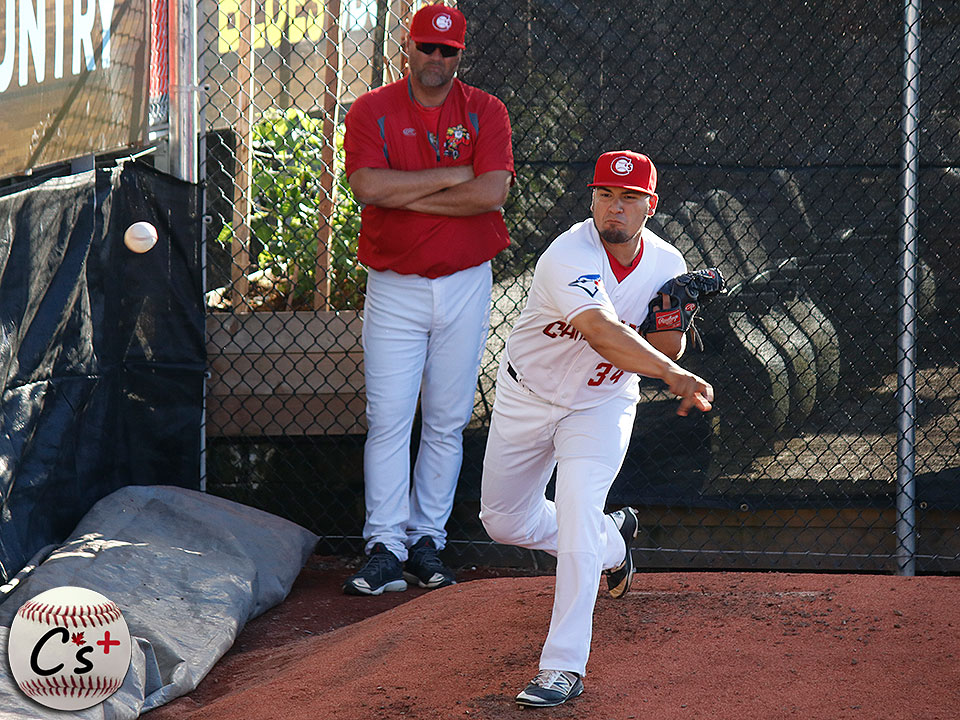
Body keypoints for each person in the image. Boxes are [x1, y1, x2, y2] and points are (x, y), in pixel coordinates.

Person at [479, 151, 714, 707]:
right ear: (591, 199)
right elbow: (604, 333)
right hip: (527, 397)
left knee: (578, 514)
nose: (615, 207)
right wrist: (675, 372)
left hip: (600, 406)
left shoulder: (666, 262)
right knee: (503, 521)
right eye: (606, 194)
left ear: (649, 207)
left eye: (630, 198)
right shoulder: (568, 253)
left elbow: (661, 349)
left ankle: (562, 666)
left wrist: (673, 323)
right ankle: (613, 542)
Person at [341, 3, 514, 596]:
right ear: (407, 49)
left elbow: (491, 193)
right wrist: (451, 176)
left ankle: (427, 541)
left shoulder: (486, 110)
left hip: (466, 280)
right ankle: (384, 543)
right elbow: (365, 184)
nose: (436, 58)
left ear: (460, 55)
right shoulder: (372, 109)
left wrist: (403, 195)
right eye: (427, 47)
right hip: (395, 285)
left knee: (446, 420)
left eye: (448, 51)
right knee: (388, 420)